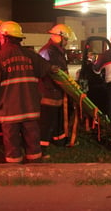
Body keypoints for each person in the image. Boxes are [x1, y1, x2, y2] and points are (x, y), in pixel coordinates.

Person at [0, 21, 56, 163]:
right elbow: (47, 69)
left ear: (5, 37)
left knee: (12, 143)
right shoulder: (31, 55)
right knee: (33, 139)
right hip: (30, 108)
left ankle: (15, 172)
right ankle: (35, 168)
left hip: (9, 111)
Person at [38, 24, 77, 152]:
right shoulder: (49, 51)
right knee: (47, 120)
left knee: (58, 117)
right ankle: (41, 146)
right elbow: (57, 73)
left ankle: (59, 139)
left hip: (56, 91)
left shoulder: (56, 51)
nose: (66, 43)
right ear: (59, 37)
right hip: (49, 92)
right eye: (65, 40)